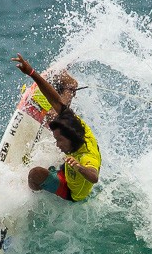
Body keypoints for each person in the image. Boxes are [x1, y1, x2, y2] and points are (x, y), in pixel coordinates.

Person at [12, 54, 100, 202]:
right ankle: (69, 86)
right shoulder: (75, 125)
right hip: (71, 162)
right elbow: (54, 100)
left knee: (35, 175)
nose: (57, 144)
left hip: (71, 191)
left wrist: (79, 167)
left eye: (59, 140)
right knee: (53, 115)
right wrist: (32, 73)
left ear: (70, 139)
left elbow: (94, 177)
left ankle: (32, 196)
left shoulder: (87, 157)